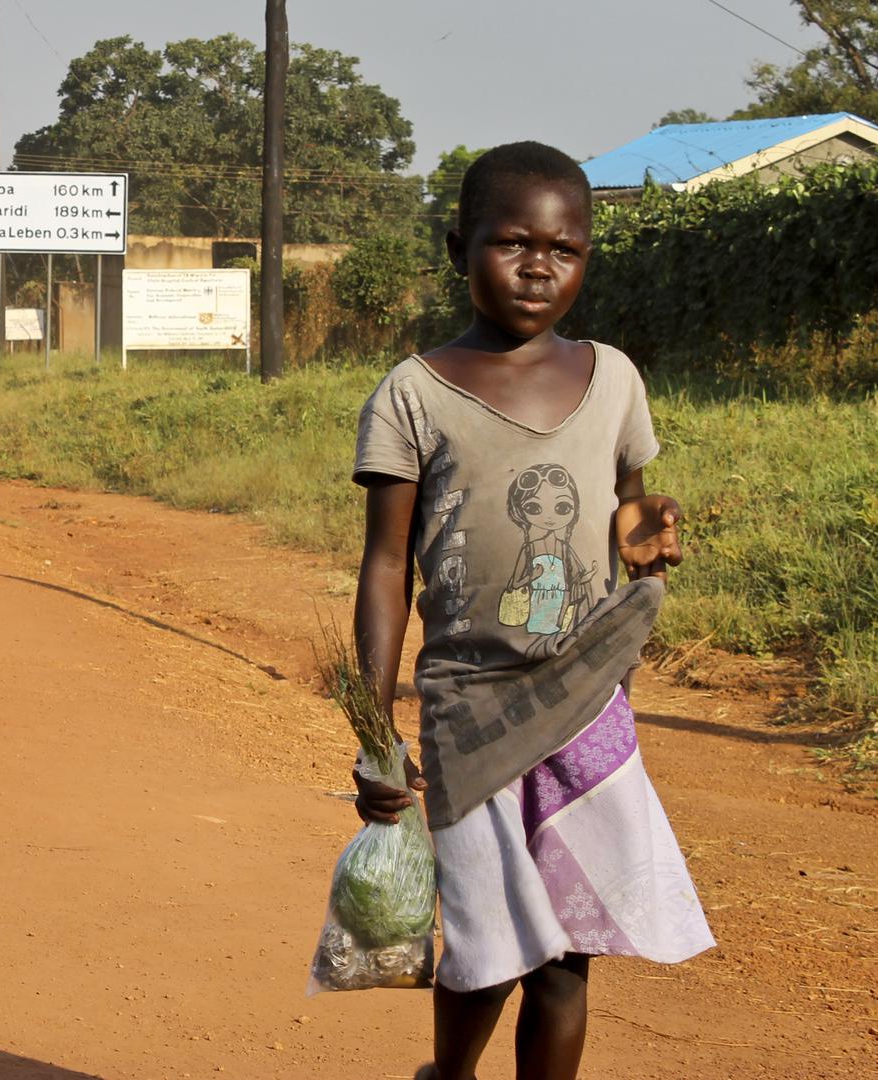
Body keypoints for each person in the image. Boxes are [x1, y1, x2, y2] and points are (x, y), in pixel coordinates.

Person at [349, 142, 712, 1080]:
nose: (539, 266)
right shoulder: (412, 394)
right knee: (482, 942)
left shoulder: (614, 376)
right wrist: (372, 725)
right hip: (468, 703)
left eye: (565, 248)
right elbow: (385, 565)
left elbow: (627, 500)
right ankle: (449, 1075)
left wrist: (649, 525)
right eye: (511, 243)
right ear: (454, 247)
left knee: (565, 951)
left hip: (587, 701)